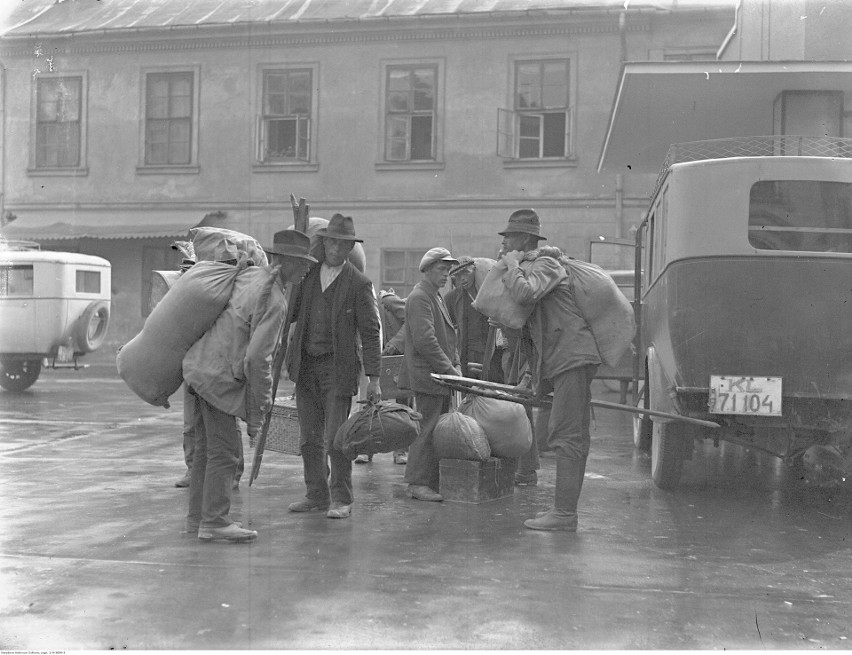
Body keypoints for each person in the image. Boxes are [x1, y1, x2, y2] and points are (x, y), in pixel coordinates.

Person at [182, 230, 317, 542]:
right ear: (288, 264)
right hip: (217, 378)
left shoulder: (250, 277)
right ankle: (214, 521)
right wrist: (262, 404)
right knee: (226, 452)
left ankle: (197, 520)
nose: (308, 268)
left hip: (198, 367)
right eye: (304, 263)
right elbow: (258, 359)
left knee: (206, 450)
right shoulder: (276, 299)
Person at [497, 208, 601, 532]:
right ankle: (564, 512)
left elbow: (526, 293)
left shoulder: (544, 264)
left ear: (525, 240)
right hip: (566, 357)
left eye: (510, 238)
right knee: (568, 431)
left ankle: (564, 515)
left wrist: (512, 266)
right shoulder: (538, 265)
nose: (504, 245)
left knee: (566, 433)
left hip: (572, 356)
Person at [285, 214, 382, 520]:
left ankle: (341, 498)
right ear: (324, 242)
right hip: (306, 367)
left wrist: (374, 378)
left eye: (344, 244)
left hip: (337, 371)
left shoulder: (359, 283)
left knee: (336, 438)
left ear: (350, 247)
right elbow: (290, 314)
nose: (337, 249)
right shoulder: (308, 276)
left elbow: (370, 333)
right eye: (332, 242)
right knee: (308, 438)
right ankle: (316, 494)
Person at [398, 247, 460, 502]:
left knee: (432, 427)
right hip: (430, 376)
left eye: (448, 271)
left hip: (437, 375)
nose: (446, 275)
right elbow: (425, 341)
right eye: (441, 270)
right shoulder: (421, 297)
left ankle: (427, 480)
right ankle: (417, 482)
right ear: (426, 269)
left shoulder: (434, 296)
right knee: (427, 427)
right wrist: (449, 369)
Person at [355, 288, 410, 465]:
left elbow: (412, 321)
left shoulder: (388, 301)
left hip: (398, 357)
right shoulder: (361, 309)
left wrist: (394, 345)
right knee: (370, 403)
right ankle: (366, 449)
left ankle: (401, 450)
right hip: (375, 359)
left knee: (403, 404)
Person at [445, 256, 504, 383]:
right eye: (458, 275)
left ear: (475, 271)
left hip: (492, 354)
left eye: (466, 272)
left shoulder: (487, 293)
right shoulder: (453, 297)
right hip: (466, 355)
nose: (463, 278)